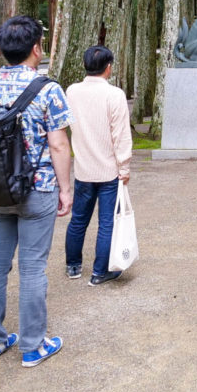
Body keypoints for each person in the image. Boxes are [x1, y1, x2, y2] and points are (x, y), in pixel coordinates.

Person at [0, 16, 72, 367]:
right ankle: (32, 345)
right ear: (36, 48)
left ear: (1, 49)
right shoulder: (48, 90)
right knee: (32, 267)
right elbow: (59, 146)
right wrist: (66, 190)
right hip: (37, 188)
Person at [64, 46, 133, 286]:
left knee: (78, 219)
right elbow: (121, 135)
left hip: (83, 168)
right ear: (108, 67)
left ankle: (73, 265)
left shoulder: (72, 91)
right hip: (109, 171)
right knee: (107, 223)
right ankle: (99, 271)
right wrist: (124, 168)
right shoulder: (114, 94)